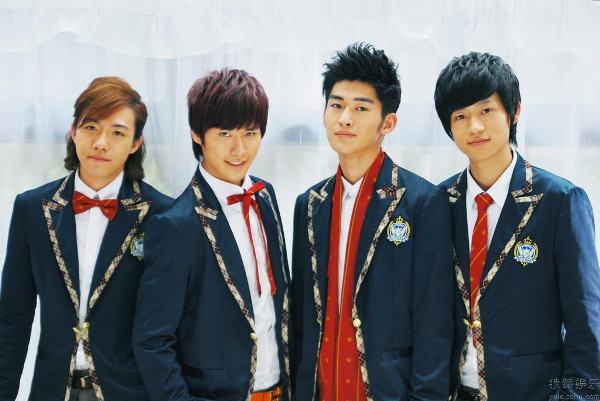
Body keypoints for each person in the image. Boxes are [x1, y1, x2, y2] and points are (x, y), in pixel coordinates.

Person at [291, 43, 454, 401]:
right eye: (336, 105)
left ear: (388, 123)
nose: (344, 118)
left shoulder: (422, 202)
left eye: (361, 108)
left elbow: (435, 324)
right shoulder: (309, 204)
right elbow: (301, 318)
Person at [435, 51, 600, 401]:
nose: (474, 126)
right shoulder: (437, 203)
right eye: (461, 116)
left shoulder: (560, 201)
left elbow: (587, 326)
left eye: (486, 110)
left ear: (515, 112)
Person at [0, 76, 172, 401]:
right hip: (52, 390)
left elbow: (172, 326)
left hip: (131, 391)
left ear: (135, 143)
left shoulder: (163, 215)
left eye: (117, 132)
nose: (101, 142)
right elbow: (13, 318)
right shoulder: (31, 209)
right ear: (73, 131)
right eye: (91, 127)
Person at [133, 68, 291, 401]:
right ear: (197, 134)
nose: (239, 149)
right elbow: (152, 341)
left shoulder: (265, 197)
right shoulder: (176, 225)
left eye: (250, 133)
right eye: (224, 134)